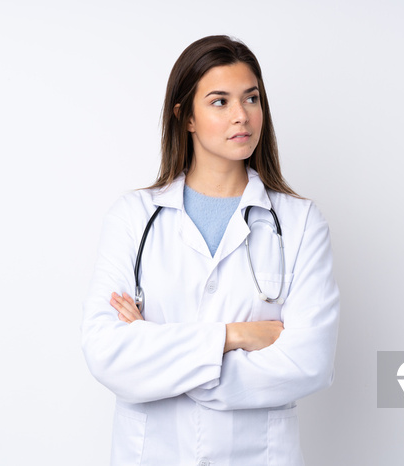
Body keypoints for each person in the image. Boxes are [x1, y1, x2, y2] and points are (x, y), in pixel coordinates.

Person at [82, 35, 340, 466]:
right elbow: (106, 353)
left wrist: (158, 353)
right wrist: (232, 337)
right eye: (220, 101)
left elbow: (309, 362)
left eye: (251, 98)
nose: (242, 116)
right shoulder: (133, 217)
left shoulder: (300, 222)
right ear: (186, 118)